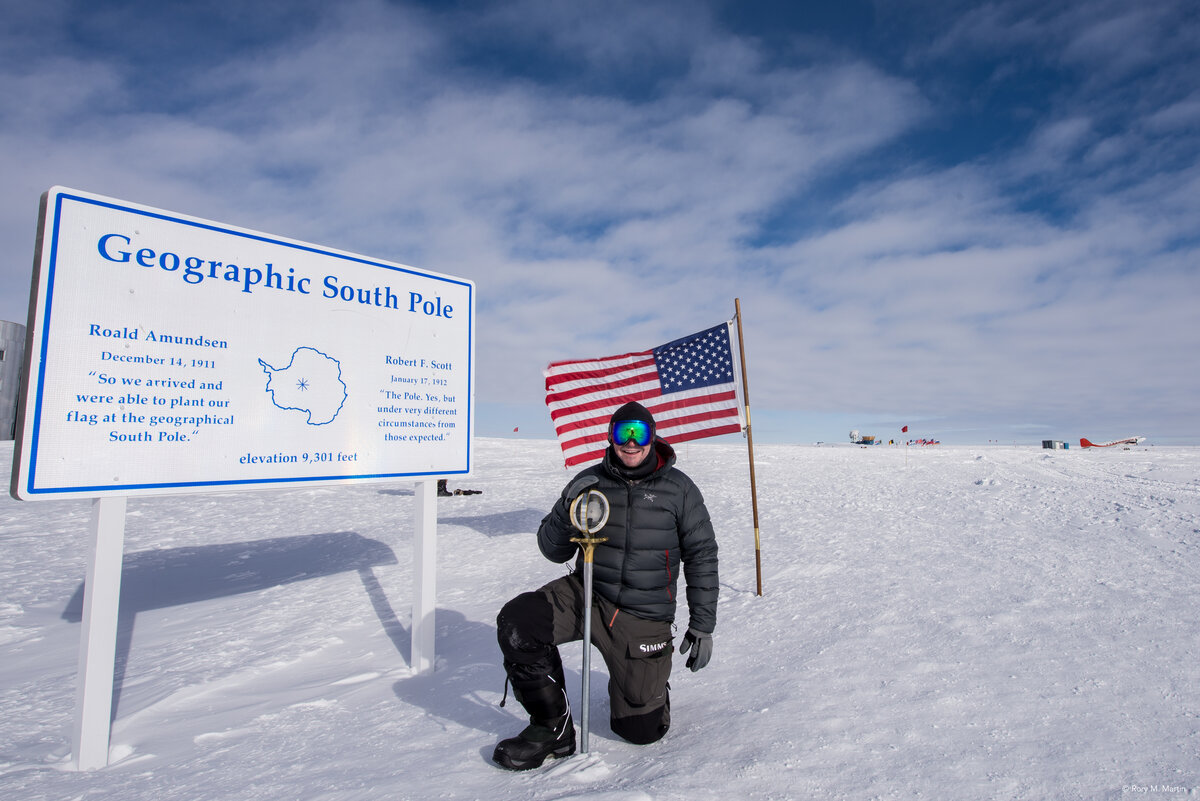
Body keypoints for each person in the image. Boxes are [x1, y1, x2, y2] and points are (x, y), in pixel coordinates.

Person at [492, 401, 718, 770]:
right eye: (622, 433)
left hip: (641, 614)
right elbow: (551, 550)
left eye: (639, 433)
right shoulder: (590, 481)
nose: (631, 442)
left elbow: (702, 556)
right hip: (587, 593)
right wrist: (567, 507)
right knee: (519, 623)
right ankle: (553, 728)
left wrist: (703, 626)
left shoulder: (680, 490)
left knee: (641, 731)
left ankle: (647, 688)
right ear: (610, 437)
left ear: (653, 436)